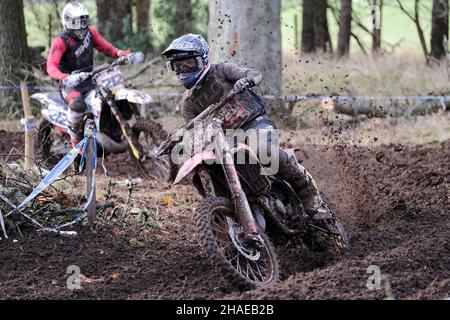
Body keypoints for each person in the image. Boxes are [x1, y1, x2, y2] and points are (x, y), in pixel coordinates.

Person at [162, 33, 324, 220]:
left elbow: (254, 74)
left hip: (254, 123)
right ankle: (228, 220)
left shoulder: (222, 71)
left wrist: (245, 80)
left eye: (188, 64)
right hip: (225, 141)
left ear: (202, 59)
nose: (184, 70)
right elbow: (195, 131)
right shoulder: (188, 104)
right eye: (178, 66)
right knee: (210, 168)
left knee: (265, 151)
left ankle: (309, 194)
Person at [47, 1, 131, 147]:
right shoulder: (60, 41)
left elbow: (107, 48)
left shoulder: (90, 33)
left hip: (89, 81)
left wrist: (120, 53)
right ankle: (74, 138)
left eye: (83, 20)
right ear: (67, 21)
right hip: (69, 85)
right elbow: (51, 66)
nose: (81, 25)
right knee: (78, 105)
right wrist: (63, 77)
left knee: (110, 96)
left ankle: (113, 131)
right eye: (76, 22)